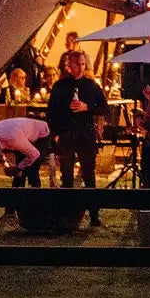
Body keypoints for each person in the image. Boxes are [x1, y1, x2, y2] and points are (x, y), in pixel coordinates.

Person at [47, 50, 109, 226]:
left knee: (89, 174)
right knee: (66, 174)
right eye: (77, 64)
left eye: (83, 64)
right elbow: (51, 111)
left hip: (85, 134)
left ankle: (94, 214)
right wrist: (56, 132)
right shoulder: (60, 86)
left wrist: (86, 107)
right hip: (67, 134)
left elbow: (104, 108)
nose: (81, 68)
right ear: (69, 65)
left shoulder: (90, 85)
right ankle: (67, 214)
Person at [0, 114, 50, 188]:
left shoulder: (13, 138)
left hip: (42, 134)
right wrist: (6, 165)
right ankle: (17, 187)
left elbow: (35, 154)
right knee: (20, 161)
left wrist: (18, 169)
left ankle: (35, 188)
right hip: (22, 132)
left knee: (33, 165)